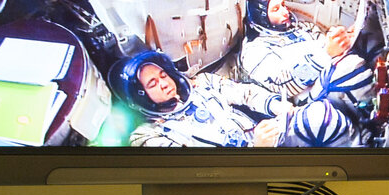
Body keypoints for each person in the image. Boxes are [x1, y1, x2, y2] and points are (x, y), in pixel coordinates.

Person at [108, 50, 291, 148]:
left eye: (163, 75)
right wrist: (258, 153)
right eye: (152, 84)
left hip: (270, 138)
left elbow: (245, 93)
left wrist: (275, 105)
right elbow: (192, 172)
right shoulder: (147, 136)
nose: (164, 83)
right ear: (142, 98)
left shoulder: (203, 84)